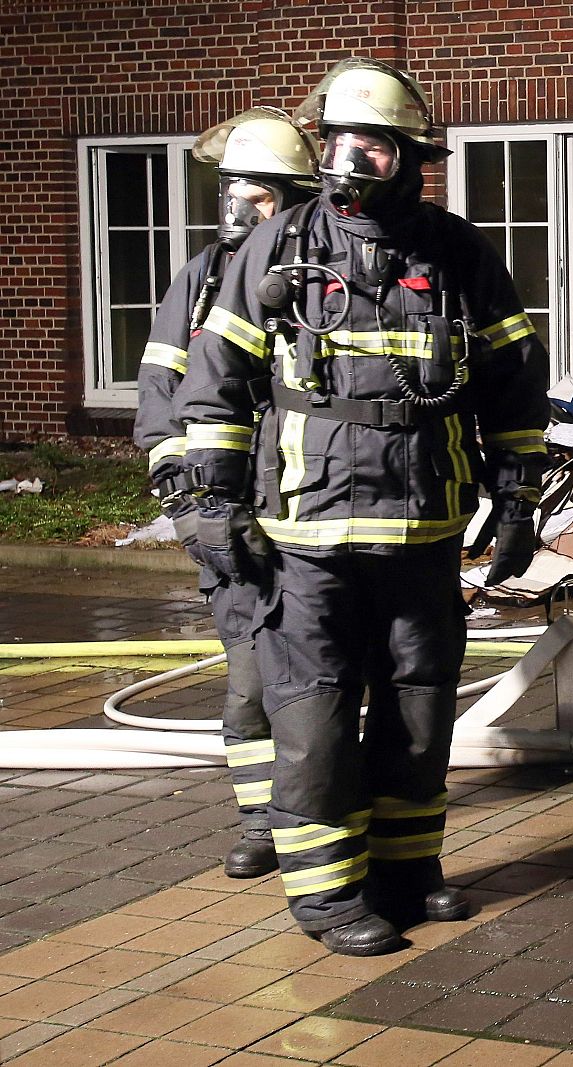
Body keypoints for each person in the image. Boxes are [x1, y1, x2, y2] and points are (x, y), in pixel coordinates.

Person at [175, 57, 550, 956]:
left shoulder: (458, 252)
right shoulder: (279, 246)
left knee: (419, 715)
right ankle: (327, 897)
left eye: (374, 145)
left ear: (411, 157)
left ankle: (406, 873)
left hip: (424, 531)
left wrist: (517, 497)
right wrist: (211, 502)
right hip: (304, 538)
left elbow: (512, 381)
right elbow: (216, 381)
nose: (353, 160)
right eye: (341, 141)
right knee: (313, 719)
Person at [134, 106, 319, 880]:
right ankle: (261, 823)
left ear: (295, 199)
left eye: (259, 194)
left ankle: (328, 819)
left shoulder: (323, 280)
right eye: (231, 190)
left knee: (323, 689)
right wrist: (191, 511)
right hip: (229, 521)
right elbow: (160, 403)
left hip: (312, 519)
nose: (240, 208)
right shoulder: (200, 281)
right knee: (249, 685)